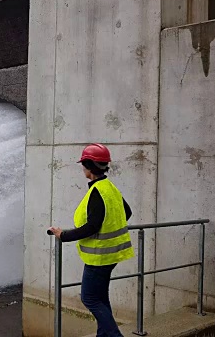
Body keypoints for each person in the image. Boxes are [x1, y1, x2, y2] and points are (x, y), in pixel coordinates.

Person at [48, 143, 134, 337]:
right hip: (112, 253)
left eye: (83, 164)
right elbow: (126, 212)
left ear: (89, 166)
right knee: (101, 298)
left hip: (99, 256)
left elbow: (92, 226)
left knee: (89, 298)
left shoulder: (97, 192)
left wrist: (64, 235)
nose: (82, 168)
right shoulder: (109, 187)